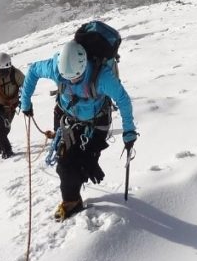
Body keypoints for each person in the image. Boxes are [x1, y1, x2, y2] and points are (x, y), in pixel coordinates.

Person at [20, 40, 137, 220]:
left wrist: (129, 131)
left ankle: (76, 186)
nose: (71, 81)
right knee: (64, 163)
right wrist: (25, 103)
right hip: (66, 117)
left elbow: (123, 100)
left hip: (96, 123)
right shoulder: (56, 68)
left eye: (75, 77)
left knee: (84, 164)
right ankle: (72, 201)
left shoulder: (102, 77)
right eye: (67, 78)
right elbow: (34, 70)